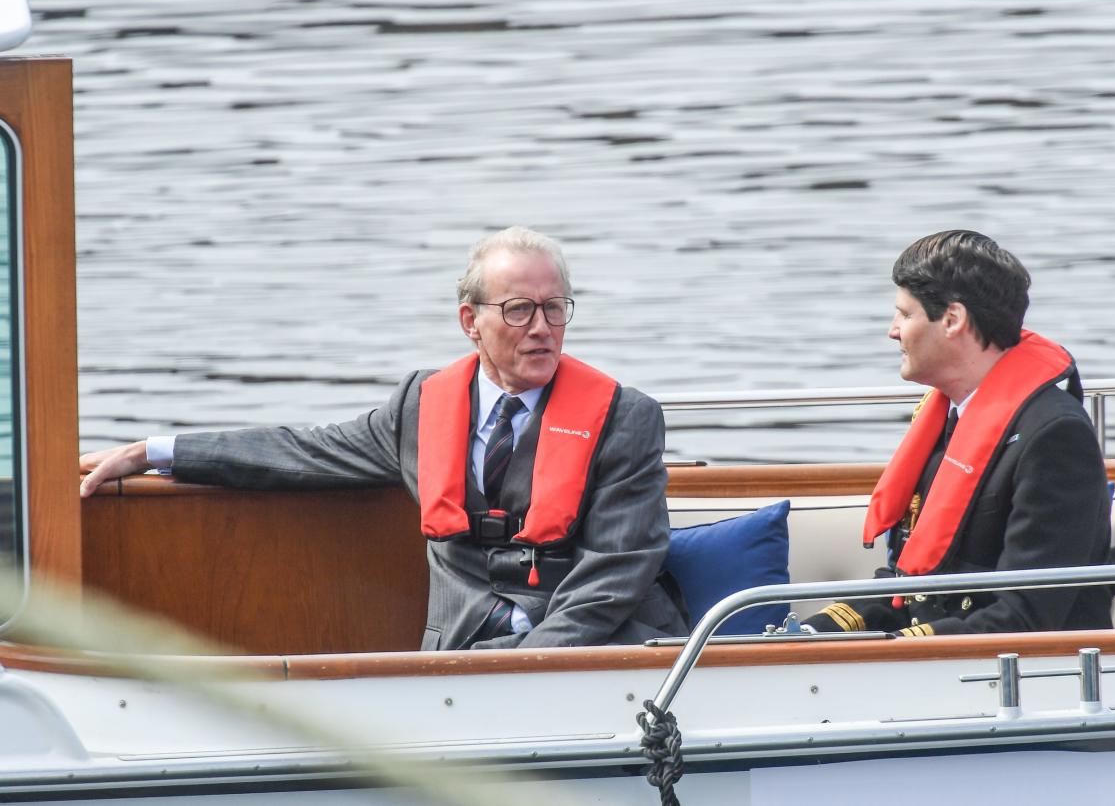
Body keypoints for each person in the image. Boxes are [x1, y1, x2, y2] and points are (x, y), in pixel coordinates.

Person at [80, 226, 689, 650]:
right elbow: (303, 451)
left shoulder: (625, 419)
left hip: (593, 656)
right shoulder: (420, 407)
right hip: (460, 652)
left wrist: (521, 667)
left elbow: (614, 575)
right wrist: (153, 451)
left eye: (555, 308)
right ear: (469, 322)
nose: (542, 329)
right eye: (518, 310)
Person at [807, 230, 1114, 637]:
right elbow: (909, 585)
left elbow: (1026, 614)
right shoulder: (947, 417)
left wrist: (893, 650)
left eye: (905, 314)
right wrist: (815, 632)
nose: (893, 330)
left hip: (1020, 681)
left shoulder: (1055, 436)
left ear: (952, 320)